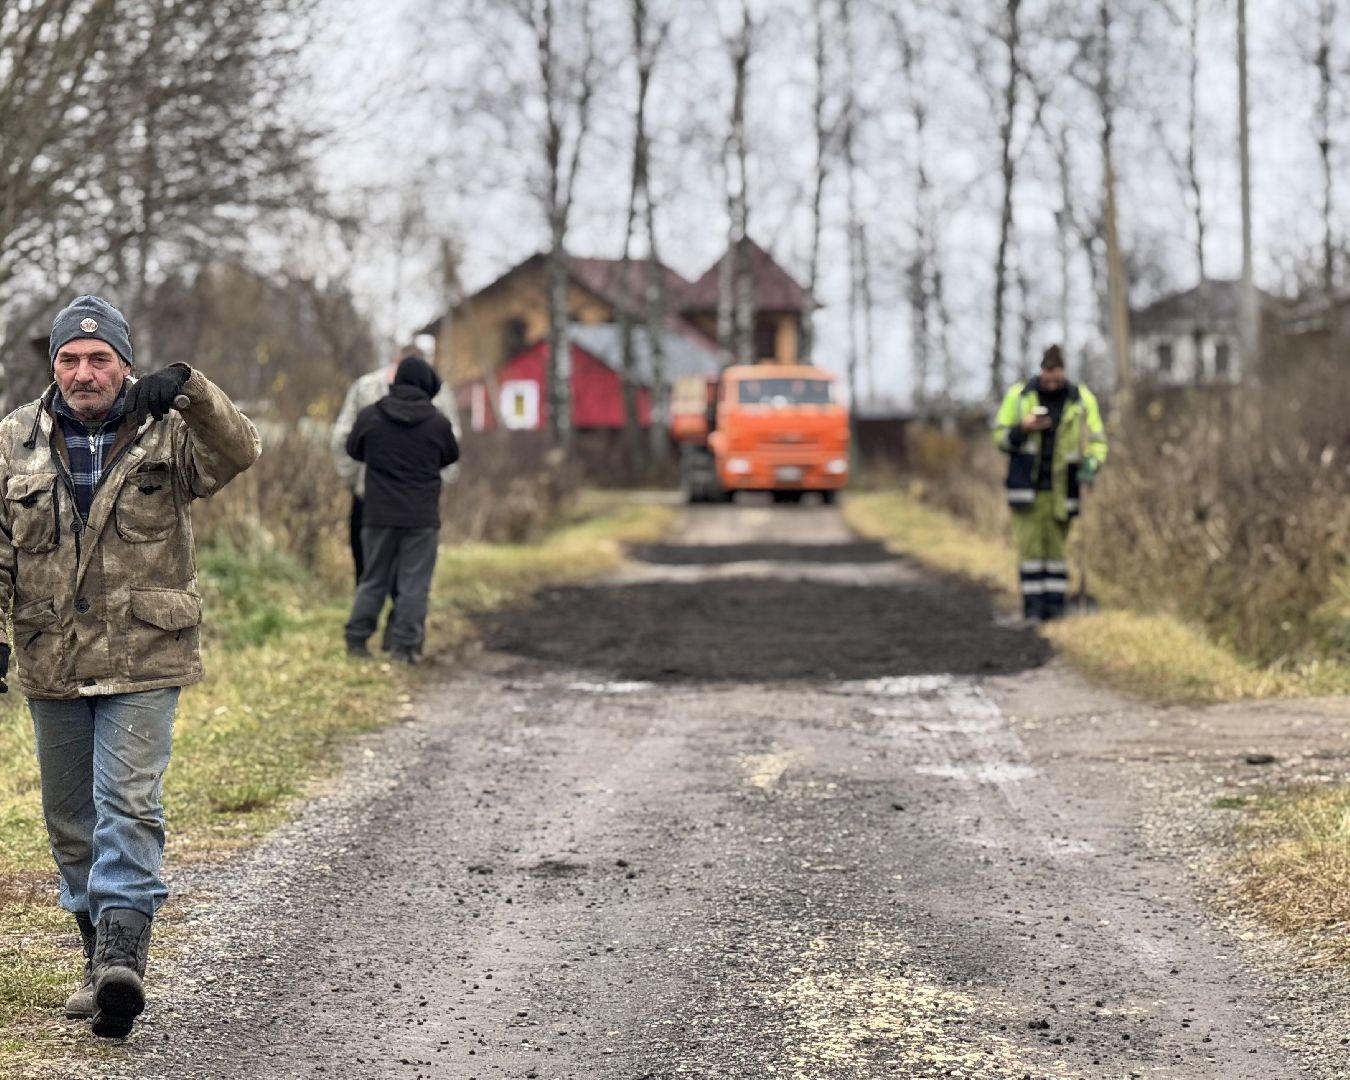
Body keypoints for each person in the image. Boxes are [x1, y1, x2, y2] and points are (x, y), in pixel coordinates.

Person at [0, 295, 260, 1038]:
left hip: (144, 655)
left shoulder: (169, 432)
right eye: (70, 360)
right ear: (54, 365)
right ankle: (96, 960)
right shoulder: (14, 439)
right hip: (50, 657)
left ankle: (123, 958)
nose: (84, 373)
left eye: (100, 359)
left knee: (130, 805)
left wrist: (191, 387)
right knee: (71, 823)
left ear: (125, 364)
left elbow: (239, 452)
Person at [344, 354, 459, 663]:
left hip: (378, 514)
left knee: (373, 580)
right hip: (421, 519)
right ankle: (404, 649)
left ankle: (356, 641)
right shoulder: (438, 423)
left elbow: (352, 448)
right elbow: (450, 457)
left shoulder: (371, 416)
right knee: (414, 585)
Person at [993, 345, 1108, 621]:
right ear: (1041, 372)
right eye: (1048, 379)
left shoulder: (1081, 399)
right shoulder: (1019, 396)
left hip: (1064, 488)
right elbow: (999, 438)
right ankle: (1032, 610)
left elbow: (1098, 440)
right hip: (1025, 488)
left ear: (1064, 372)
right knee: (1030, 550)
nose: (1053, 384)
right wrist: (1024, 428)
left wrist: (1092, 463)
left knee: (1057, 551)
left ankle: (1056, 611)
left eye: (1057, 379)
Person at [331, 345, 460, 585]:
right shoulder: (438, 392)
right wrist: (434, 483)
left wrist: (358, 484)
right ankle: (397, 620)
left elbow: (342, 438)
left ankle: (364, 621)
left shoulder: (365, 387)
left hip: (372, 496)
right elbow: (452, 443)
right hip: (418, 500)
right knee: (411, 573)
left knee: (368, 569)